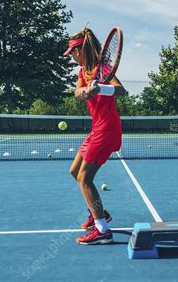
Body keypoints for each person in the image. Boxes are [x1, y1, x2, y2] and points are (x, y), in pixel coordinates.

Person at [63, 27, 127, 244]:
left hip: (107, 129)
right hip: (96, 128)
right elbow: (77, 91)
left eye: (73, 52)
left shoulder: (104, 67)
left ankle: (102, 231)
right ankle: (99, 212)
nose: (71, 56)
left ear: (82, 49)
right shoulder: (83, 71)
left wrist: (101, 88)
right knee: (74, 171)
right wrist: (86, 91)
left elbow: (121, 91)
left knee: (85, 178)